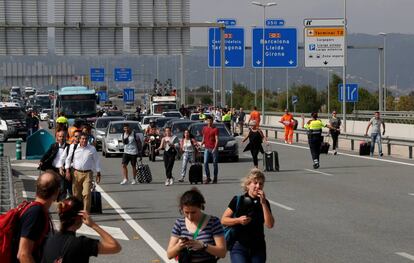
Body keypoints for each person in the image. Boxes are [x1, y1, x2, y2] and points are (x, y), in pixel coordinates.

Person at [41, 197, 121, 262]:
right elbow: (115, 246)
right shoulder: (82, 244)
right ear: (80, 217)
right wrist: (93, 225)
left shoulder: (48, 240)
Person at [221, 168, 274, 263]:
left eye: (261, 184)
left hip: (258, 247)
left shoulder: (265, 203)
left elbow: (269, 225)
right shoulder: (238, 200)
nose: (258, 186)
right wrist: (238, 220)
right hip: (239, 246)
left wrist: (264, 204)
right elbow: (224, 220)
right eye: (255, 183)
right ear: (248, 184)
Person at [167, 188, 226, 262]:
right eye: (186, 212)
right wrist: (179, 246)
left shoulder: (213, 222)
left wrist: (204, 246)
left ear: (201, 207)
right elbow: (169, 254)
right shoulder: (179, 223)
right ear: (181, 209)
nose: (190, 216)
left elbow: (222, 253)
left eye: (193, 212)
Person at [15, 171, 60, 263]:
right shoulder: (36, 213)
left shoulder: (36, 209)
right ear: (56, 193)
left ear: (36, 189)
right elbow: (23, 254)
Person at [65, 133, 101, 212]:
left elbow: (97, 161)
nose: (84, 140)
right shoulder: (73, 147)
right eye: (82, 139)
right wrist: (67, 171)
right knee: (76, 195)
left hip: (88, 174)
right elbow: (68, 159)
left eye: (85, 139)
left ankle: (85, 212)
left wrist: (98, 172)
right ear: (79, 140)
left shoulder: (92, 149)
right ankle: (77, 211)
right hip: (76, 173)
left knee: (86, 193)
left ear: (87, 140)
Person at [39, 130, 70, 200]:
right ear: (57, 138)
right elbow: (47, 154)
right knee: (50, 185)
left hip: (62, 169)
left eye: (63, 136)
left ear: (66, 137)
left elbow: (70, 158)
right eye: (60, 136)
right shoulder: (54, 146)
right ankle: (52, 198)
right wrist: (41, 161)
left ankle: (60, 202)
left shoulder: (69, 147)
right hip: (52, 168)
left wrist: (64, 167)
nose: (61, 138)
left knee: (62, 186)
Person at [201, 116, 219, 184]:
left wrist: (215, 148)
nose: (209, 122)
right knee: (205, 162)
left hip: (213, 148)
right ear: (206, 121)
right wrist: (201, 144)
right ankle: (208, 178)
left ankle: (215, 178)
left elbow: (217, 139)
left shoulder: (215, 129)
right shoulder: (204, 128)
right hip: (206, 148)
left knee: (215, 163)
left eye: (210, 121)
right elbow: (204, 137)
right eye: (208, 121)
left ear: (212, 121)